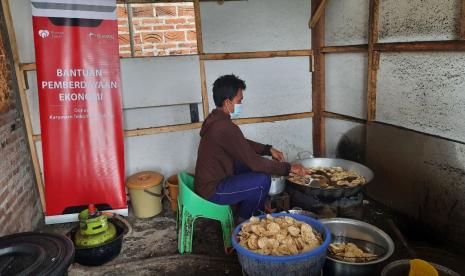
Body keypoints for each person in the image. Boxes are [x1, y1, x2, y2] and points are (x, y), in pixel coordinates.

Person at [194, 74, 306, 223]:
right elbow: (254, 162)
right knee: (262, 181)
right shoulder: (224, 127)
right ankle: (246, 223)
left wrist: (268, 149)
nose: (241, 103)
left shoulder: (216, 119)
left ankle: (253, 208)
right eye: (239, 100)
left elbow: (240, 143)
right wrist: (289, 168)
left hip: (209, 182)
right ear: (227, 102)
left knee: (246, 165)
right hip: (212, 191)